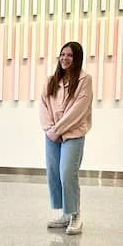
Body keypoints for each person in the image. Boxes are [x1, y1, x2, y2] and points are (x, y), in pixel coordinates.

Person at [39, 41, 93, 235]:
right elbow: (43, 106)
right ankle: (65, 213)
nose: (65, 58)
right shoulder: (51, 80)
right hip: (52, 135)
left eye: (69, 55)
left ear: (77, 58)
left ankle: (76, 215)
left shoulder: (85, 80)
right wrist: (49, 129)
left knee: (67, 174)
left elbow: (78, 111)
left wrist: (59, 129)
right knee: (54, 174)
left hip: (73, 134)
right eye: (62, 54)